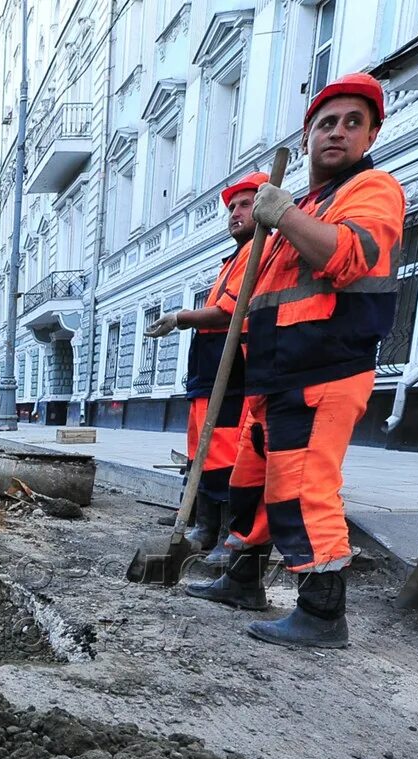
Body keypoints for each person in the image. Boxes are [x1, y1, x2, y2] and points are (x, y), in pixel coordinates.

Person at [187, 73, 405, 649]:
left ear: (372, 132)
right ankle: (243, 580)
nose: (337, 133)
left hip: (323, 367)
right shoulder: (306, 204)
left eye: (352, 123)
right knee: (252, 486)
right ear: (307, 136)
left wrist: (283, 215)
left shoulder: (371, 191)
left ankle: (323, 612)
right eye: (326, 123)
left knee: (302, 487)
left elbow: (351, 258)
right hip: (276, 372)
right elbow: (257, 297)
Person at [144, 170, 266, 560]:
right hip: (210, 372)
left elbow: (231, 311)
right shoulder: (233, 257)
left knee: (226, 454)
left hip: (234, 372)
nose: (235, 212)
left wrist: (181, 318)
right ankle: (203, 524)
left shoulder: (261, 251)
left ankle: (226, 534)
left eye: (245, 204)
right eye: (232, 207)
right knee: (202, 449)